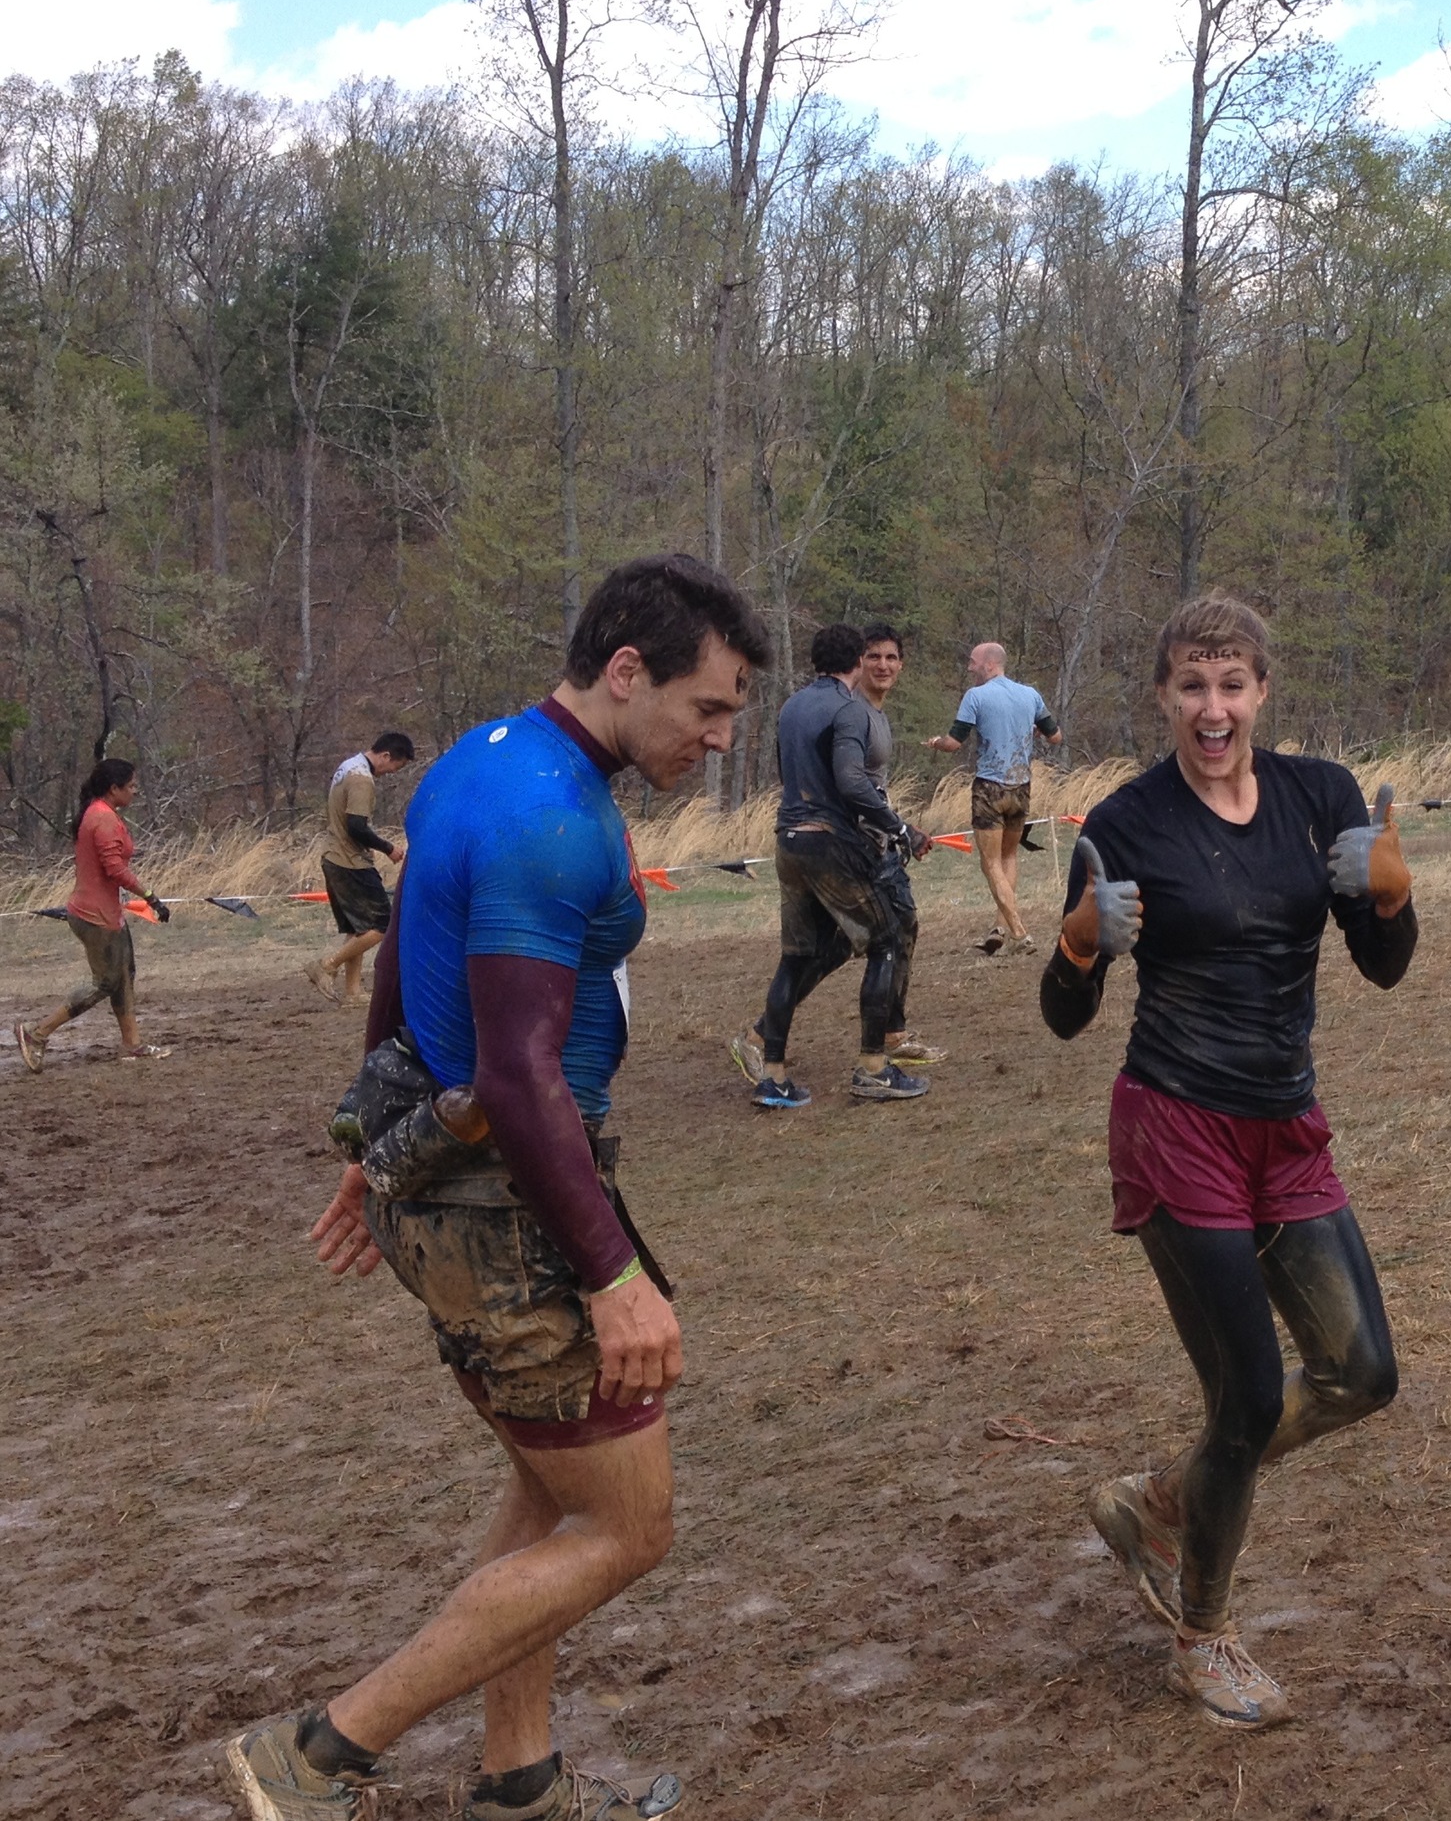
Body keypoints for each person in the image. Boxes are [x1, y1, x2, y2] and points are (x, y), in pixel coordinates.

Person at [226, 554, 766, 1821]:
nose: (722, 739)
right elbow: (520, 1075)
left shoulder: (488, 755)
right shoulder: (548, 816)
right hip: (509, 1208)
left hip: (463, 1186)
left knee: (547, 1483)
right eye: (709, 707)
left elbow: (406, 956)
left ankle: (519, 1781)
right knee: (628, 1526)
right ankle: (314, 1758)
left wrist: (372, 1150)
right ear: (628, 672)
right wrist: (616, 1277)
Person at [1039, 593, 1416, 1731]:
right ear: (1163, 694)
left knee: (1363, 1374)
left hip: (1284, 1124)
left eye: (1233, 684)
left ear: (1263, 691)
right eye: (1192, 686)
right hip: (1177, 1125)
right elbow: (1065, 1014)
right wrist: (1079, 940)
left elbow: (1384, 965)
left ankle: (1161, 1501)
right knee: (1247, 1396)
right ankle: (1204, 1634)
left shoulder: (1321, 798)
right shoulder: (1125, 823)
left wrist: (1392, 892)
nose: (1214, 708)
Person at [728, 621, 941, 1109]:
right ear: (855, 663)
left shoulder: (792, 707)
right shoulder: (850, 710)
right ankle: (873, 1069)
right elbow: (850, 781)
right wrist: (902, 828)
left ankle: (774, 1076)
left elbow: (791, 775)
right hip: (830, 844)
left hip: (788, 841)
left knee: (798, 954)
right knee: (885, 940)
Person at [14, 758, 173, 1071]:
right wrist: (150, 897)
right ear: (114, 789)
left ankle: (132, 1044)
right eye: (131, 786)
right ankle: (37, 1033)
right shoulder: (102, 818)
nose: (135, 791)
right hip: (94, 916)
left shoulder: (101, 814)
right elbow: (115, 869)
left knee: (124, 974)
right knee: (105, 982)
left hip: (106, 912)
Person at [925, 640, 1063, 954]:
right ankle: (999, 929)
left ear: (989, 664)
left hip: (989, 789)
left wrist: (936, 742)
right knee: (1008, 857)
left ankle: (1019, 932)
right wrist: (1036, 732)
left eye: (973, 662)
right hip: (1021, 788)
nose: (969, 668)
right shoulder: (1031, 695)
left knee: (990, 863)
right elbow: (1056, 736)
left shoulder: (976, 696)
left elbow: (954, 743)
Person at [306, 731, 417, 1005]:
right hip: (350, 861)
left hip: (334, 856)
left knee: (359, 928)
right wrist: (388, 848)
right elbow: (357, 826)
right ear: (386, 756)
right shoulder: (361, 779)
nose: (391, 772)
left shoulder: (347, 767)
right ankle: (327, 964)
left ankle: (353, 991)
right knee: (383, 924)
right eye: (395, 766)